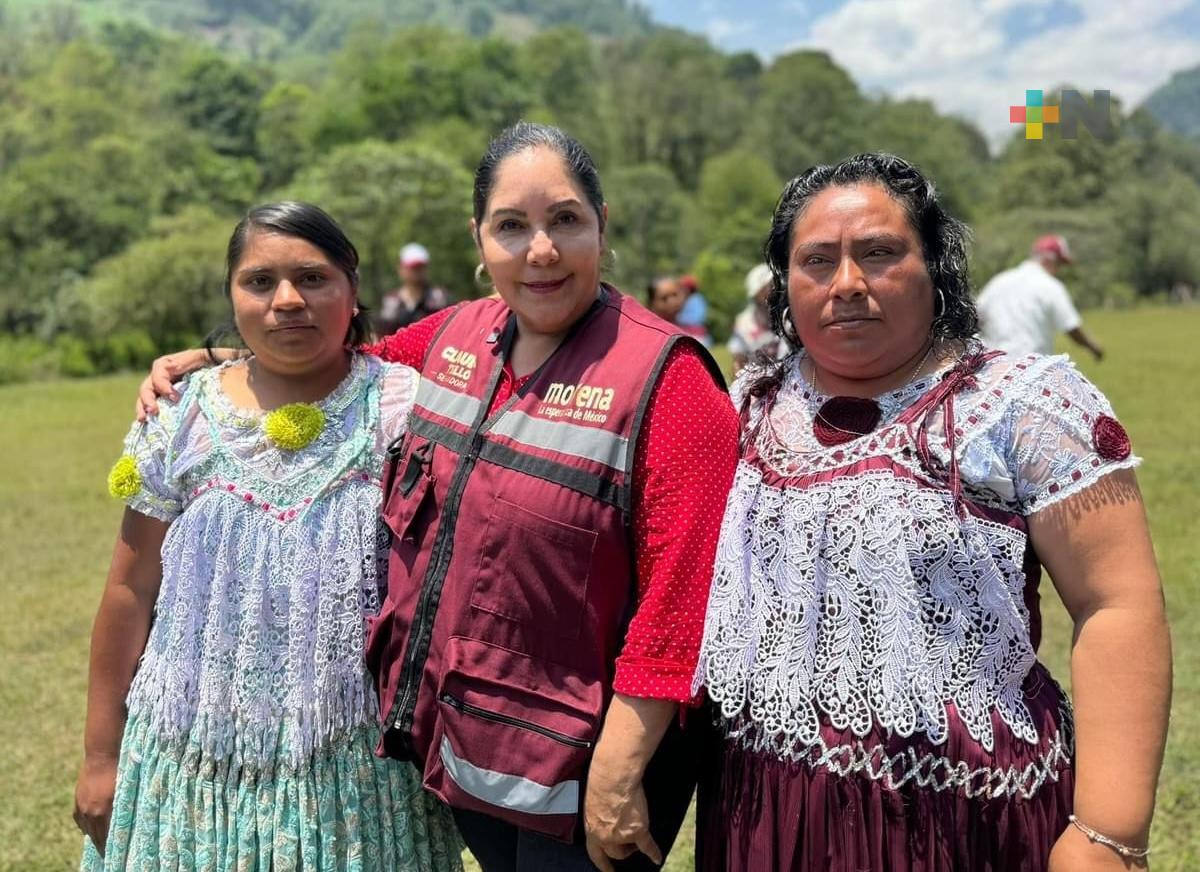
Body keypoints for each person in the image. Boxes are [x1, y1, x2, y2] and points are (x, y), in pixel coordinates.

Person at [136, 124, 741, 872]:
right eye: (512, 226)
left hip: (593, 762)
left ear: (601, 225)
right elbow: (344, 363)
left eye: (565, 221)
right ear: (479, 238)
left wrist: (620, 770)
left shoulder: (669, 378)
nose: (540, 250)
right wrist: (215, 360)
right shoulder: (455, 336)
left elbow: (688, 594)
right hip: (472, 747)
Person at [694, 154, 1171, 872]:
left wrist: (1109, 831)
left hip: (967, 816)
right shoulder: (746, 403)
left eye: (880, 254)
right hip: (765, 812)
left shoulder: (1022, 405)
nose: (847, 283)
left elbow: (1116, 605)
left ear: (935, 267)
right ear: (785, 286)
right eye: (817, 261)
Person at [76, 203, 461, 871]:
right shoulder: (179, 414)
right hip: (190, 753)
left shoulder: (403, 408)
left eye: (313, 278)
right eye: (259, 282)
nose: (287, 300)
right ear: (231, 293)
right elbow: (129, 590)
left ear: (353, 286)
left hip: (355, 767)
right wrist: (100, 757)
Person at [976, 234, 1105, 360]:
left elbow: (975, 319)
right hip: (1030, 367)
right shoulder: (1051, 286)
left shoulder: (999, 281)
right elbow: (1071, 327)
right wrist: (1093, 348)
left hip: (994, 368)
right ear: (1049, 260)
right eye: (1059, 264)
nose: (1059, 269)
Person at [376, 242, 454, 334]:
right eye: (413, 268)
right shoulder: (391, 302)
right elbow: (384, 334)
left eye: (420, 267)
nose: (417, 272)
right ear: (401, 269)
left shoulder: (439, 299)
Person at [727, 262, 783, 375]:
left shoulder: (787, 316)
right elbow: (738, 361)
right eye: (768, 286)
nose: (772, 290)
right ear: (756, 292)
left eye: (774, 284)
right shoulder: (744, 323)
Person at [648, 275, 711, 345]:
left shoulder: (696, 300)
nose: (672, 301)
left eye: (675, 295)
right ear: (651, 303)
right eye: (664, 298)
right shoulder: (653, 334)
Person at [677, 274, 713, 347]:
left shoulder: (696, 299)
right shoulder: (686, 300)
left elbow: (697, 318)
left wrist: (678, 319)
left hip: (697, 335)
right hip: (687, 334)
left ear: (688, 288)